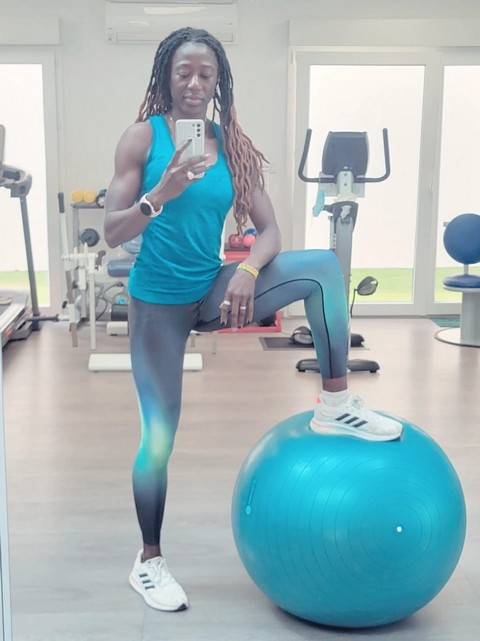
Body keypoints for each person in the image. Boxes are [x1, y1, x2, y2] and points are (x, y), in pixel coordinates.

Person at [104, 27, 403, 613]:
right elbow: (114, 230)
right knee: (158, 439)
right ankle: (148, 560)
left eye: (206, 74)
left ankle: (336, 402)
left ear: (219, 82)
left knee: (322, 268)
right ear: (167, 76)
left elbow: (270, 231)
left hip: (212, 288)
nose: (194, 83)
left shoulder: (230, 144)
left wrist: (245, 269)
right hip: (157, 304)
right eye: (184, 72)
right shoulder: (141, 138)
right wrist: (160, 192)